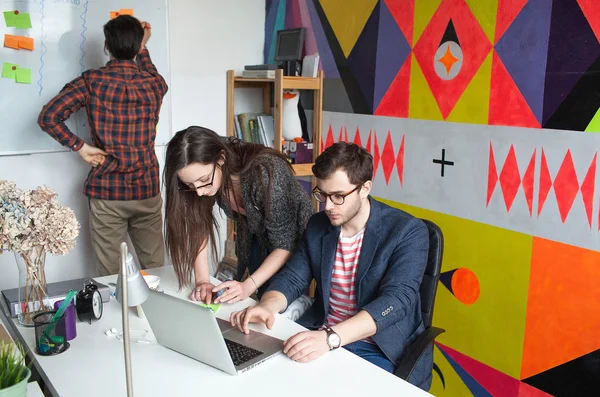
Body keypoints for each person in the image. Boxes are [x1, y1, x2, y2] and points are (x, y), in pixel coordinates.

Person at [230, 142, 433, 390]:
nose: (327, 206)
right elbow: (293, 278)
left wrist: (331, 338)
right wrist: (267, 306)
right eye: (322, 195)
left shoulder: (406, 231)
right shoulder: (318, 226)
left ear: (365, 188)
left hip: (376, 347)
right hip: (321, 333)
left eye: (338, 196)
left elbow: (397, 300)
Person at [38, 16, 168, 276]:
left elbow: (48, 116)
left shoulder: (92, 81)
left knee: (111, 273)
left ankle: (118, 316)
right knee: (157, 269)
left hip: (108, 190)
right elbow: (150, 69)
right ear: (138, 47)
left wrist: (80, 147)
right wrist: (143, 46)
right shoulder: (155, 84)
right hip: (146, 188)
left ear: (107, 46)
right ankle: (160, 314)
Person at [163, 126, 314, 304]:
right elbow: (198, 225)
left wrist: (248, 286)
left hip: (296, 238)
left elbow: (285, 243)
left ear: (221, 158)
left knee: (279, 302)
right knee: (258, 299)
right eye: (189, 184)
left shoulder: (266, 172)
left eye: (204, 181)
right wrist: (203, 281)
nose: (199, 192)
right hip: (257, 234)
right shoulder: (204, 178)